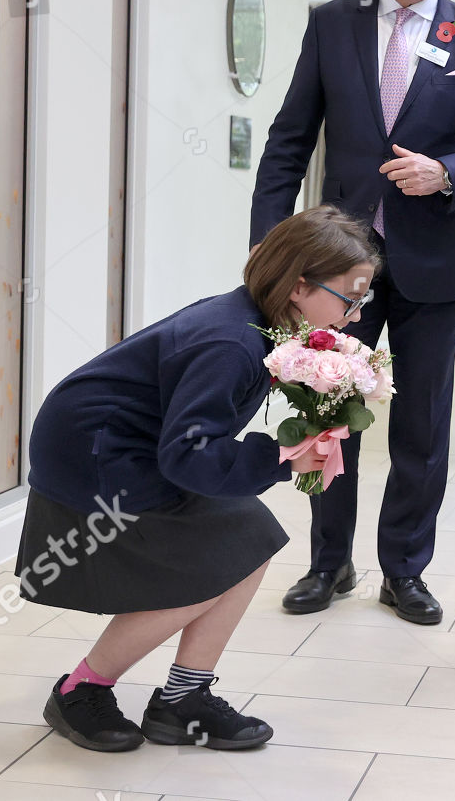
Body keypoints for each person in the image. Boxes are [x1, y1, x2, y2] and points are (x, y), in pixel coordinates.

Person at [250, 0, 455, 626]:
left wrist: (450, 174)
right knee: (323, 415)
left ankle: (404, 570)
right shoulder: (331, 28)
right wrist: (268, 256)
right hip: (335, 272)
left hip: (435, 267)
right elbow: (288, 143)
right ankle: (328, 562)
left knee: (422, 427)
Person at [21, 207, 376, 753]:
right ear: (300, 286)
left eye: (362, 301)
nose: (354, 316)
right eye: (349, 300)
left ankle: (183, 700)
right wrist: (280, 457)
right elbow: (188, 456)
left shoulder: (260, 321)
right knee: (213, 565)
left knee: (250, 541)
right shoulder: (231, 343)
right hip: (95, 456)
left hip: (126, 447)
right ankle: (79, 691)